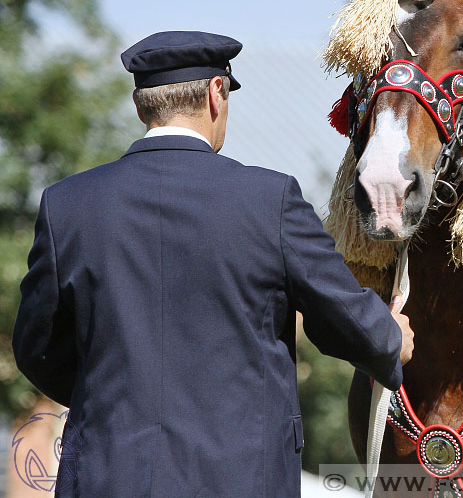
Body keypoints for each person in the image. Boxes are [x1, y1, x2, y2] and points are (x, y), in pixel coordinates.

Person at [12, 31, 413, 497]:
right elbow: (339, 318)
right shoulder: (270, 200)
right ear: (215, 94)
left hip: (108, 478)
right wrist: (388, 338)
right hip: (240, 480)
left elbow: (37, 346)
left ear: (142, 107)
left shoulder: (68, 205)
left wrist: (109, 403)